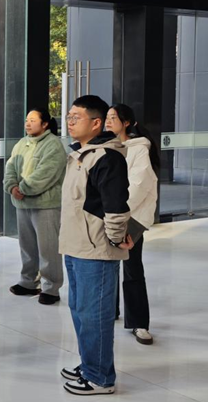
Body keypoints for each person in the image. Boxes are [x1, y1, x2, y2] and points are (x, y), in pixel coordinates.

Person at [60, 95, 134, 396]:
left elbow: (115, 207)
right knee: (80, 310)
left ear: (96, 123)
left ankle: (101, 377)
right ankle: (90, 364)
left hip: (96, 250)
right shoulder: (80, 154)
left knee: (95, 315)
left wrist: (116, 238)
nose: (70, 121)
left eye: (76, 116)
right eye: (69, 116)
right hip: (75, 246)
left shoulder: (107, 157)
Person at [106, 103, 159, 345]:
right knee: (107, 264)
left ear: (126, 122)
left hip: (131, 217)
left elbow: (139, 186)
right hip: (108, 214)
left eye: (113, 117)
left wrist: (118, 210)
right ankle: (110, 310)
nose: (108, 121)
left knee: (132, 267)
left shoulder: (139, 149)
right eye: (107, 117)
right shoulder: (106, 146)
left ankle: (139, 322)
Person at [3, 108, 66, 305]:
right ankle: (28, 282)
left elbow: (46, 173)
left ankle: (51, 288)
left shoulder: (53, 145)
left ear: (45, 124)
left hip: (45, 205)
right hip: (22, 203)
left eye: (32, 120)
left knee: (48, 248)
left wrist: (23, 188)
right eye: (26, 120)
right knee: (27, 246)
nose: (27, 123)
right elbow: (10, 167)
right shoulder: (22, 143)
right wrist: (11, 186)